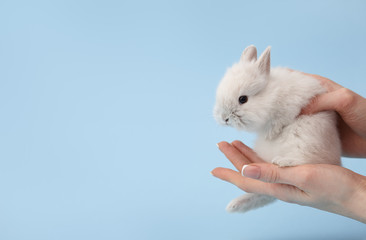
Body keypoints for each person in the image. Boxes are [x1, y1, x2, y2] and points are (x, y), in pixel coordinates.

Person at [211, 72, 366, 223]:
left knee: (305, 130)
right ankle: (267, 190)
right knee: (266, 154)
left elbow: (293, 106)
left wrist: (351, 195)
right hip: (285, 140)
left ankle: (294, 169)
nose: (226, 117)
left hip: (309, 134)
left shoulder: (284, 87)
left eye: (242, 100)